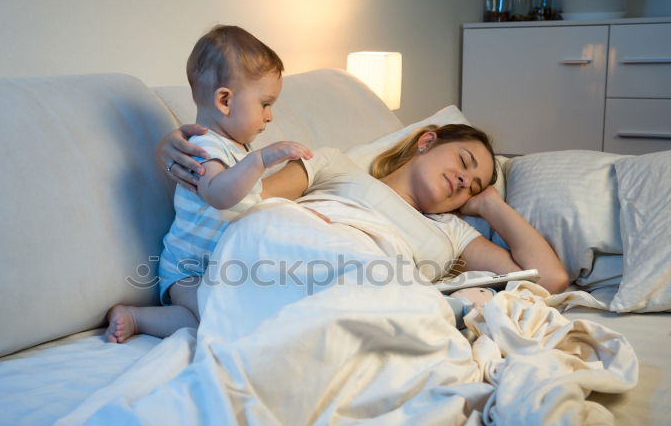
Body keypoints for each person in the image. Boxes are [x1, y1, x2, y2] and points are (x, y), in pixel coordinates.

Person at [157, 121, 569, 302]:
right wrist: (199, 151)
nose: (465, 181)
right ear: (426, 141)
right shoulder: (337, 165)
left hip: (373, 288)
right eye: (463, 163)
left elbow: (550, 279)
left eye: (474, 185)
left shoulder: (452, 233)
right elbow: (253, 202)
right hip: (295, 254)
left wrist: (492, 204)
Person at [105, 25, 316, 343]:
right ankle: (136, 316)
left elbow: (252, 208)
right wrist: (260, 160)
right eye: (266, 104)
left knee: (218, 316)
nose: (270, 116)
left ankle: (143, 319)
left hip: (222, 271)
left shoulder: (235, 149)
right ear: (225, 101)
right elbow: (219, 195)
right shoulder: (204, 148)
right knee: (220, 318)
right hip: (187, 272)